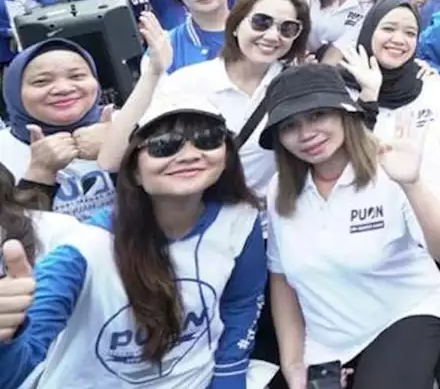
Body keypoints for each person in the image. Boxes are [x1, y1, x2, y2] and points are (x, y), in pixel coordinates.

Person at [0, 93, 266, 388]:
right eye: (163, 145)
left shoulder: (240, 219)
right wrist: (7, 337)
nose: (190, 154)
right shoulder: (83, 251)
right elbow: (17, 372)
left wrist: (228, 380)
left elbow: (240, 304)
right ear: (134, 170)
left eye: (208, 138)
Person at [260, 64, 440, 389]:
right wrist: (293, 364)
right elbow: (282, 278)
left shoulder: (390, 167)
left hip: (403, 313)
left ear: (345, 113)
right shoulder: (279, 191)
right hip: (328, 341)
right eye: (290, 125)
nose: (306, 134)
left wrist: (412, 185)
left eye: (317, 115)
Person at [101, 0, 313, 195]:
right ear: (236, 24)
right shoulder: (190, 82)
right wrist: (154, 73)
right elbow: (112, 160)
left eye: (287, 28)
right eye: (261, 22)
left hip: (273, 216)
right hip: (206, 213)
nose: (273, 36)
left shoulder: (297, 85)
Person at [0, 39, 116, 222]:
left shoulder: (131, 126)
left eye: (77, 76)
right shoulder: (3, 152)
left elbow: (167, 214)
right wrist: (39, 175)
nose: (63, 89)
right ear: (13, 91)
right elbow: (10, 240)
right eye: (41, 81)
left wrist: (119, 154)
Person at [344, 0, 440, 140]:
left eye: (410, 33)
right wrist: (368, 94)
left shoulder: (428, 83)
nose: (398, 40)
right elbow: (347, 150)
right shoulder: (339, 86)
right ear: (369, 30)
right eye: (388, 28)